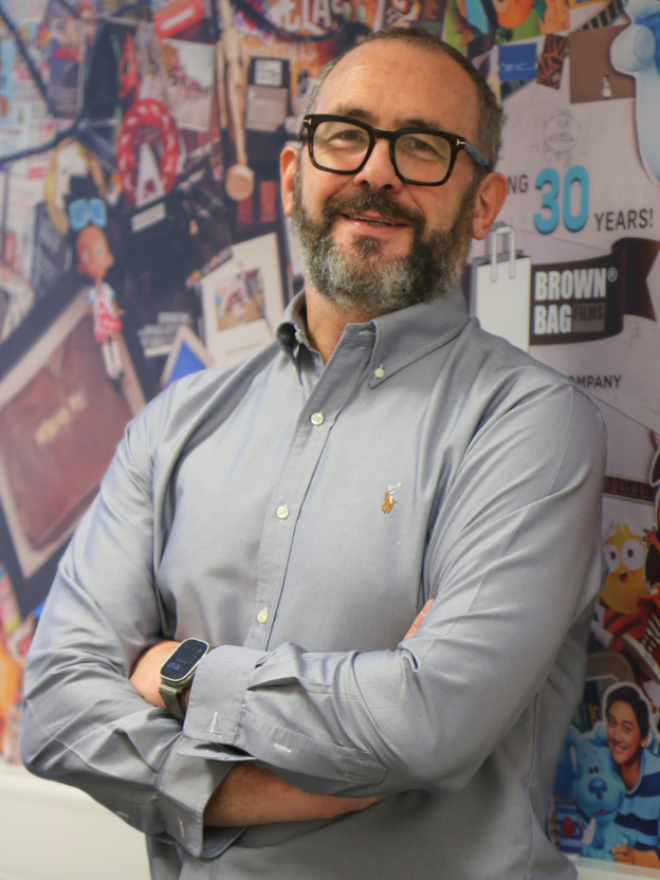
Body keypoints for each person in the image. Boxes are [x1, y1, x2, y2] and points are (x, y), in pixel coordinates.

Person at [21, 28, 606, 880]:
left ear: (483, 204)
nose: (376, 172)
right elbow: (56, 705)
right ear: (295, 175)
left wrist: (177, 671)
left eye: (423, 148)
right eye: (346, 136)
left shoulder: (531, 427)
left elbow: (426, 724)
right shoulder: (175, 424)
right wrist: (239, 789)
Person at [605, 684, 660, 867]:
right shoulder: (598, 768)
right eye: (612, 722)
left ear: (644, 738)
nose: (616, 736)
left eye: (627, 728)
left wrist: (635, 859)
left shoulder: (657, 780)